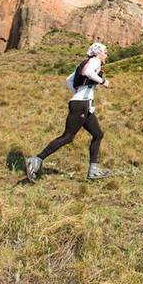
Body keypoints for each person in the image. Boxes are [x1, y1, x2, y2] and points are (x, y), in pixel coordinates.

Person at [25, 42, 112, 181]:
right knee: (68, 136)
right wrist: (103, 82)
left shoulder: (82, 63)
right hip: (81, 105)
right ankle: (36, 160)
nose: (106, 55)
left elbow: (68, 80)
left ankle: (93, 171)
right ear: (98, 52)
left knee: (98, 134)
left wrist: (77, 93)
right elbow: (88, 73)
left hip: (84, 104)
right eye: (105, 52)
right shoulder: (95, 61)